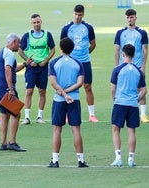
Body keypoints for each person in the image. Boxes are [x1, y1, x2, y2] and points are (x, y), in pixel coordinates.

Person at [47, 37, 88, 168]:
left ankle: (55, 160)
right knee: (76, 130)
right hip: (74, 100)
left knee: (57, 130)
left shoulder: (54, 63)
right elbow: (80, 83)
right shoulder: (78, 63)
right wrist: (68, 94)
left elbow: (53, 83)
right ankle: (81, 160)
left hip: (59, 100)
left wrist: (63, 94)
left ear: (61, 48)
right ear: (72, 49)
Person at [60, 4, 99, 122]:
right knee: (69, 87)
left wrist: (85, 54)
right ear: (73, 13)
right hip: (71, 62)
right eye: (76, 14)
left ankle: (92, 115)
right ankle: (67, 114)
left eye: (80, 15)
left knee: (87, 86)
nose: (77, 17)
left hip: (85, 61)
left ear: (83, 14)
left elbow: (93, 44)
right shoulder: (66, 28)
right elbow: (62, 45)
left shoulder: (88, 27)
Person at [110, 44, 146, 167]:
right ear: (134, 55)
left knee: (116, 130)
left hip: (120, 103)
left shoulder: (117, 69)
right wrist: (136, 99)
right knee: (132, 131)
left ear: (123, 54)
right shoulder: (138, 71)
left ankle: (118, 157)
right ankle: (131, 159)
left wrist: (114, 99)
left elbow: (112, 88)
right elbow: (144, 90)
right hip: (132, 105)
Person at [19, 13, 55, 125]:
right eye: (34, 22)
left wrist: (46, 60)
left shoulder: (47, 35)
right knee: (29, 91)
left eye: (38, 22)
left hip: (43, 68)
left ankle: (39, 116)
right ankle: (27, 117)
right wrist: (28, 61)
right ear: (31, 23)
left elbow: (53, 49)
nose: (36, 24)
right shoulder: (27, 36)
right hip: (31, 68)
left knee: (42, 91)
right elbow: (20, 50)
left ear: (41, 22)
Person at [0, 33, 28, 152]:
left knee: (4, 116)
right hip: (6, 89)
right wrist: (10, 89)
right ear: (13, 42)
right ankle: (12, 142)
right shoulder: (9, 54)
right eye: (18, 43)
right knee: (16, 114)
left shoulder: (3, 52)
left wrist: (25, 64)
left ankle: (3, 143)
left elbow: (13, 69)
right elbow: (8, 70)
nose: (19, 46)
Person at [114, 9, 149, 123]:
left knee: (141, 89)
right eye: (128, 17)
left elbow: (145, 50)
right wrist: (117, 65)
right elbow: (117, 49)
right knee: (122, 88)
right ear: (126, 18)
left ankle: (143, 114)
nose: (130, 19)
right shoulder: (120, 33)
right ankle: (122, 109)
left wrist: (143, 67)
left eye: (132, 17)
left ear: (135, 18)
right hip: (123, 66)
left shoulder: (141, 33)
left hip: (137, 66)